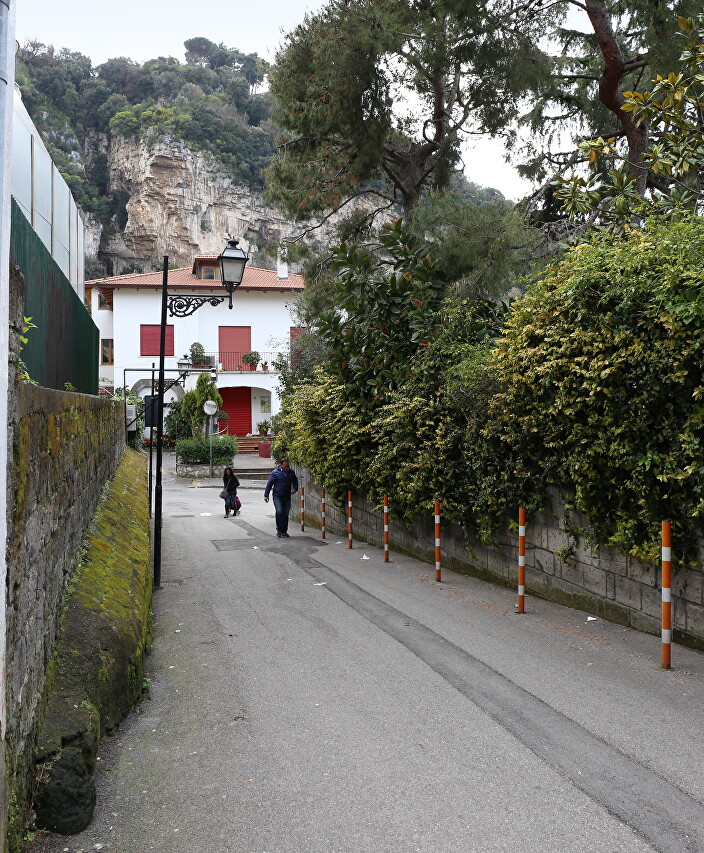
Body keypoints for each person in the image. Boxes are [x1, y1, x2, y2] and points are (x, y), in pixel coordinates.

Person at [263, 458, 298, 537]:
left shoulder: (291, 472)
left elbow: (295, 481)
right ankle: (279, 529)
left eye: (288, 466)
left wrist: (295, 488)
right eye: (285, 466)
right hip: (277, 496)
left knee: (285, 514)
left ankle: (284, 531)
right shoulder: (275, 473)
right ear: (281, 465)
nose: (287, 468)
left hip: (287, 496)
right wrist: (266, 495)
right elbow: (269, 484)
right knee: (279, 512)